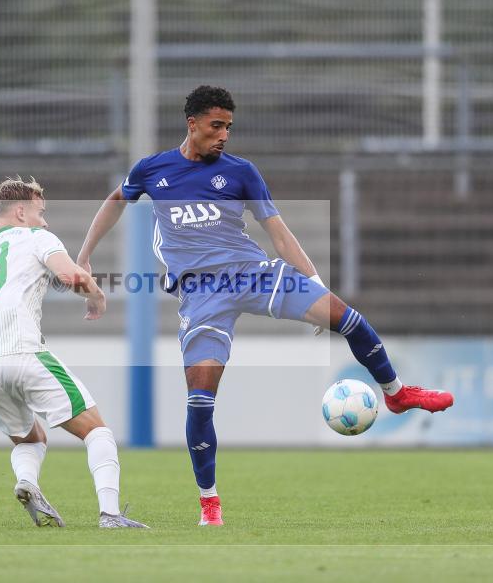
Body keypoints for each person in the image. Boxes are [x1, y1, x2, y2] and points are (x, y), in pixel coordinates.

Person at [76, 86, 454, 527]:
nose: (224, 136)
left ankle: (397, 394)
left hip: (253, 274)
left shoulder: (241, 172)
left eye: (229, 128)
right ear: (192, 123)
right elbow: (115, 201)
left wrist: (312, 284)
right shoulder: (152, 170)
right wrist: (83, 258)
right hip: (202, 295)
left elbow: (278, 232)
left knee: (348, 319)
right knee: (200, 401)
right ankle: (209, 503)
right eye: (216, 126)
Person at [0, 176, 147, 529]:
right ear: (20, 212)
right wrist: (97, 296)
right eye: (41, 213)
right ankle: (111, 514)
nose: (45, 221)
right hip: (21, 351)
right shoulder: (36, 237)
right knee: (96, 431)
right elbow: (72, 276)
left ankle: (27, 482)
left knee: (31, 438)